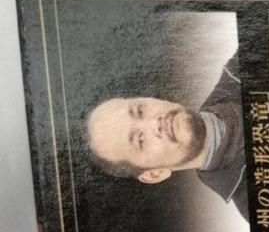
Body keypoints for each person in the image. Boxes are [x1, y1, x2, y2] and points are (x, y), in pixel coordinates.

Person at [85, 55, 247, 218]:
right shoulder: (255, 206)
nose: (155, 123)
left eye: (140, 111)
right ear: (155, 174)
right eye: (140, 140)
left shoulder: (243, 62)